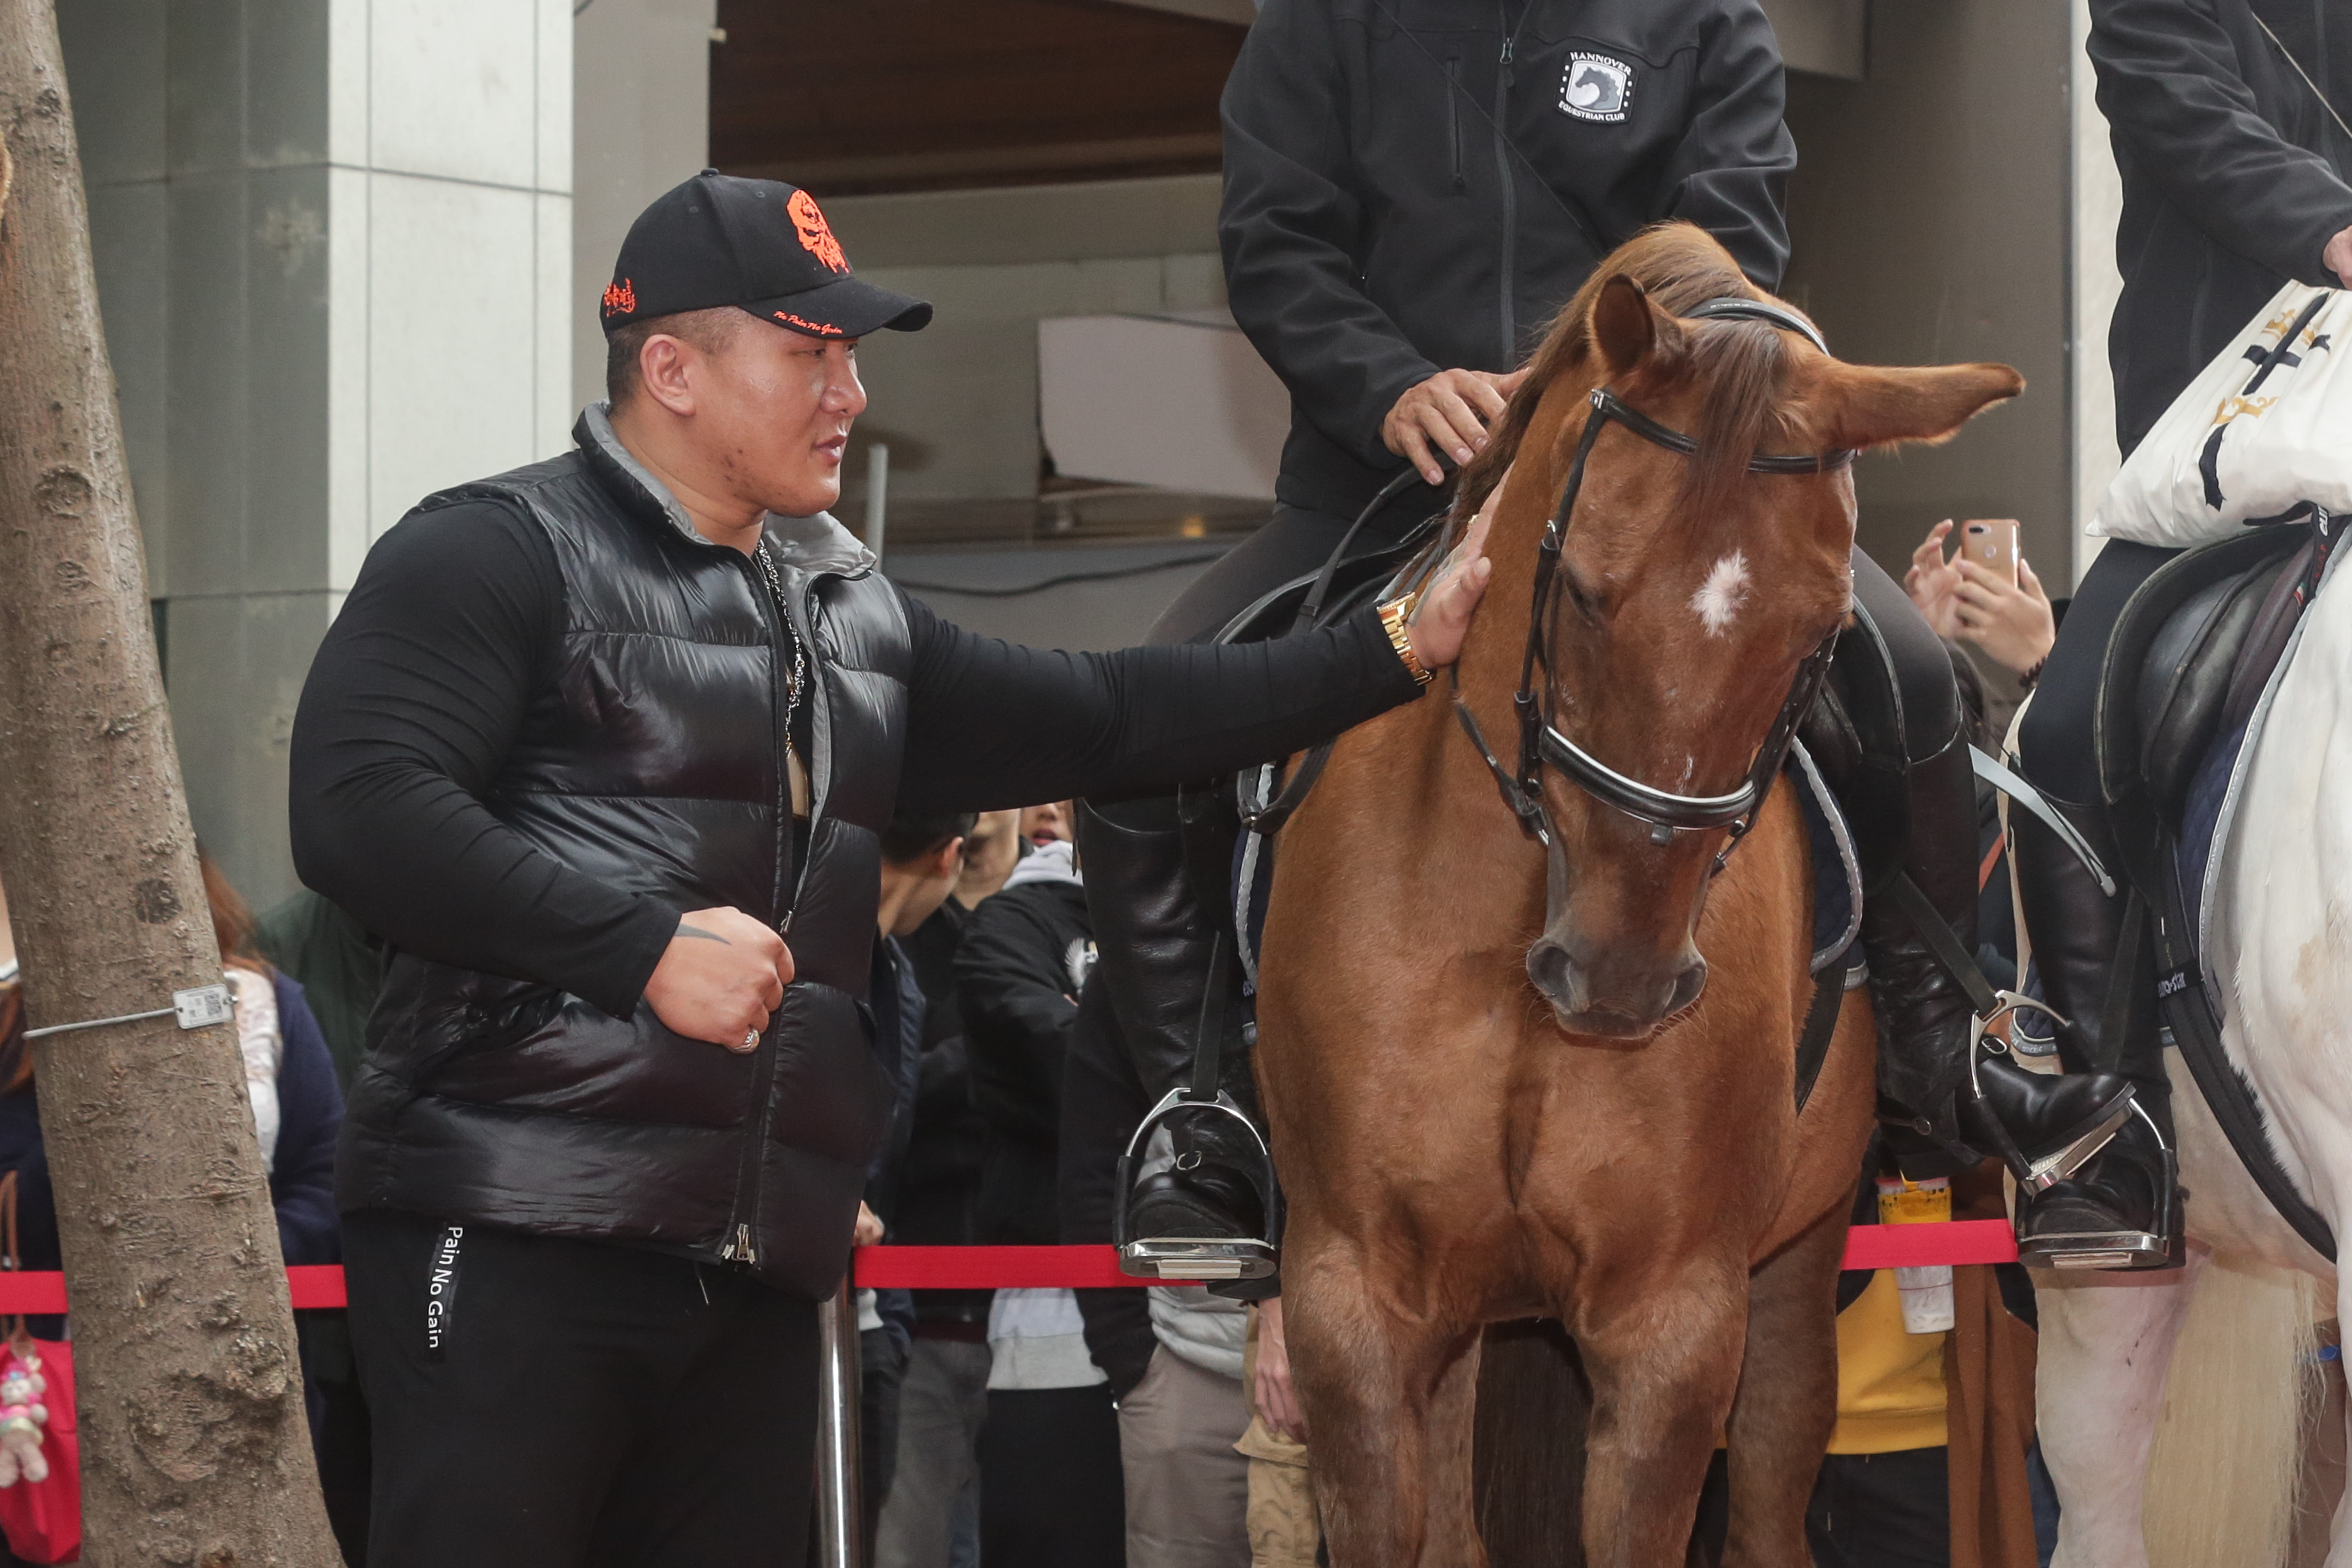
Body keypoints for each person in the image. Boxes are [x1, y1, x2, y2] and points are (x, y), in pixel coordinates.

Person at [287, 168, 1493, 1568]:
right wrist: (642, 949)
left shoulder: (845, 609)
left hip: (754, 1281)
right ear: (669, 368)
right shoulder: (491, 551)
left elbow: (1108, 714)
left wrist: (1397, 642)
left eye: (850, 352)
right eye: (808, 351)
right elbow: (358, 813)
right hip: (503, 1238)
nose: (848, 391)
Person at [1094, 0, 2130, 1270]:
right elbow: (1276, 241)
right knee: (1155, 712)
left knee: (1909, 679)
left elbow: (1729, 242)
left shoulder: (1702, 19)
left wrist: (1597, 399)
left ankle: (1937, 1051)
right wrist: (1389, 386)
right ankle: (1201, 1108)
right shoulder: (1323, 17)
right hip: (1385, 475)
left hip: (1653, 463)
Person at [2009, 0, 2352, 1266]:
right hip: (2232, 419)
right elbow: (2179, 107)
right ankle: (2098, 1119)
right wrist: (2331, 226)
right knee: (2062, 722)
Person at [0, 858, 344, 1538]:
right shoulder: (26, 1019)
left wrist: (228, 1259)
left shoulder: (263, 1002)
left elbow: (328, 1176)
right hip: (61, 1370)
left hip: (246, 1356)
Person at [955, 828, 1123, 1567]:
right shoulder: (1013, 922)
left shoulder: (1216, 902)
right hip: (1052, 1315)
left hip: (1221, 1310)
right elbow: (1043, 1050)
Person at [1060, 984, 1254, 1568]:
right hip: (1188, 1366)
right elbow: (1093, 1168)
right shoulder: (1138, 950)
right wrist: (1135, 1361)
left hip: (1364, 1357)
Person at [877, 809, 1015, 1568]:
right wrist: (993, 1051)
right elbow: (879, 1114)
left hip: (1041, 1314)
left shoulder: (1057, 918)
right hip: (917, 1306)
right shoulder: (891, 937)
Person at [859, 809, 973, 1559]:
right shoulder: (793, 942)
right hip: (762, 1311)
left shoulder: (898, 975)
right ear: (949, 857)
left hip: (871, 1313)